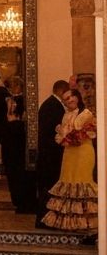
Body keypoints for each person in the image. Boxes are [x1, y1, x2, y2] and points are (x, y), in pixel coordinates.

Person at [43, 87, 97, 239]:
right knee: (68, 182)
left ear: (77, 97)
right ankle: (71, 223)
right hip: (69, 153)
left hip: (83, 152)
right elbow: (63, 135)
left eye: (71, 97)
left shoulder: (86, 113)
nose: (70, 100)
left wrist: (66, 132)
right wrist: (64, 133)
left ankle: (86, 223)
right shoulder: (66, 115)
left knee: (82, 183)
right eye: (66, 99)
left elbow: (77, 131)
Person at [35, 80, 68, 228]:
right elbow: (54, 131)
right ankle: (45, 220)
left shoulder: (50, 104)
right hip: (50, 156)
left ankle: (47, 219)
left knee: (47, 188)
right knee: (48, 189)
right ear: (61, 91)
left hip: (48, 155)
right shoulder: (53, 106)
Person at [1, 76, 32, 213]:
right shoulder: (11, 100)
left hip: (15, 141)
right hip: (11, 140)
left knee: (16, 173)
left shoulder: (20, 101)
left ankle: (20, 201)